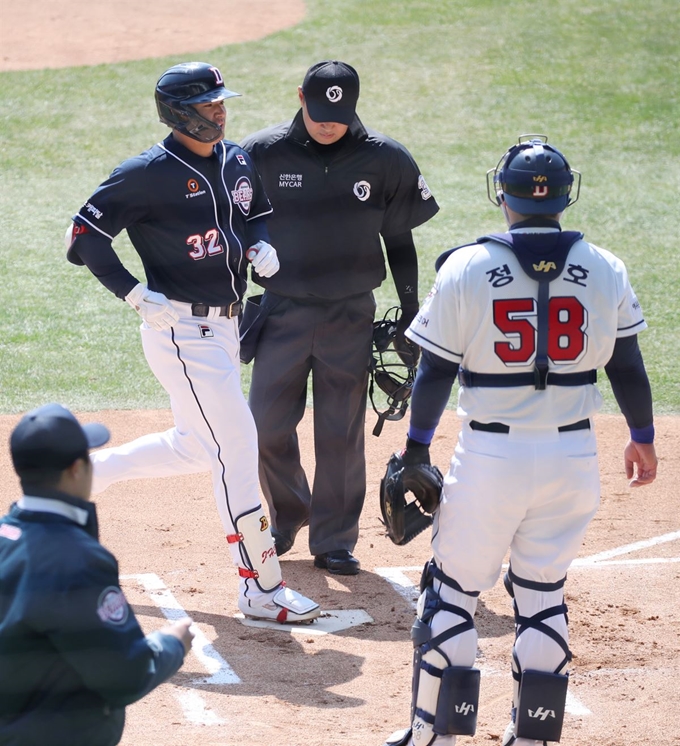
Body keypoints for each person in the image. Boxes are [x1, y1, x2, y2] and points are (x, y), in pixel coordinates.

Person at [381, 136, 658, 746]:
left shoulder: (467, 266)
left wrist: (417, 448)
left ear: (500, 193)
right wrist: (642, 438)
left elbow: (434, 370)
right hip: (572, 458)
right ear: (565, 195)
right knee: (542, 593)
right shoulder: (605, 266)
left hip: (490, 458)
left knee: (451, 593)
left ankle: (436, 735)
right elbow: (629, 367)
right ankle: (531, 738)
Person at [65, 61, 319, 624]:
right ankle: (261, 588)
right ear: (180, 113)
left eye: (223, 101)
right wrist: (132, 293)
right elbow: (83, 235)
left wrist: (260, 245)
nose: (221, 111)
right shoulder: (145, 173)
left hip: (225, 329)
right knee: (237, 448)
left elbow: (254, 214)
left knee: (194, 446)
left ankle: (82, 474)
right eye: (210, 105)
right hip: (179, 331)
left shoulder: (235, 158)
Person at [239, 59, 440, 575]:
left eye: (341, 113)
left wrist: (413, 312)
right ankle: (289, 514)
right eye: (321, 111)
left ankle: (334, 539)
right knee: (263, 425)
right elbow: (231, 232)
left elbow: (400, 239)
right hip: (280, 309)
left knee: (340, 431)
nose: (331, 123)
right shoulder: (259, 154)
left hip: (350, 312)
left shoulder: (385, 159)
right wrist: (232, 302)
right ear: (301, 97)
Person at [0, 403, 195, 746]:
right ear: (76, 469)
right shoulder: (78, 559)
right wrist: (171, 645)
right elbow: (124, 675)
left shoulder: (5, 535)